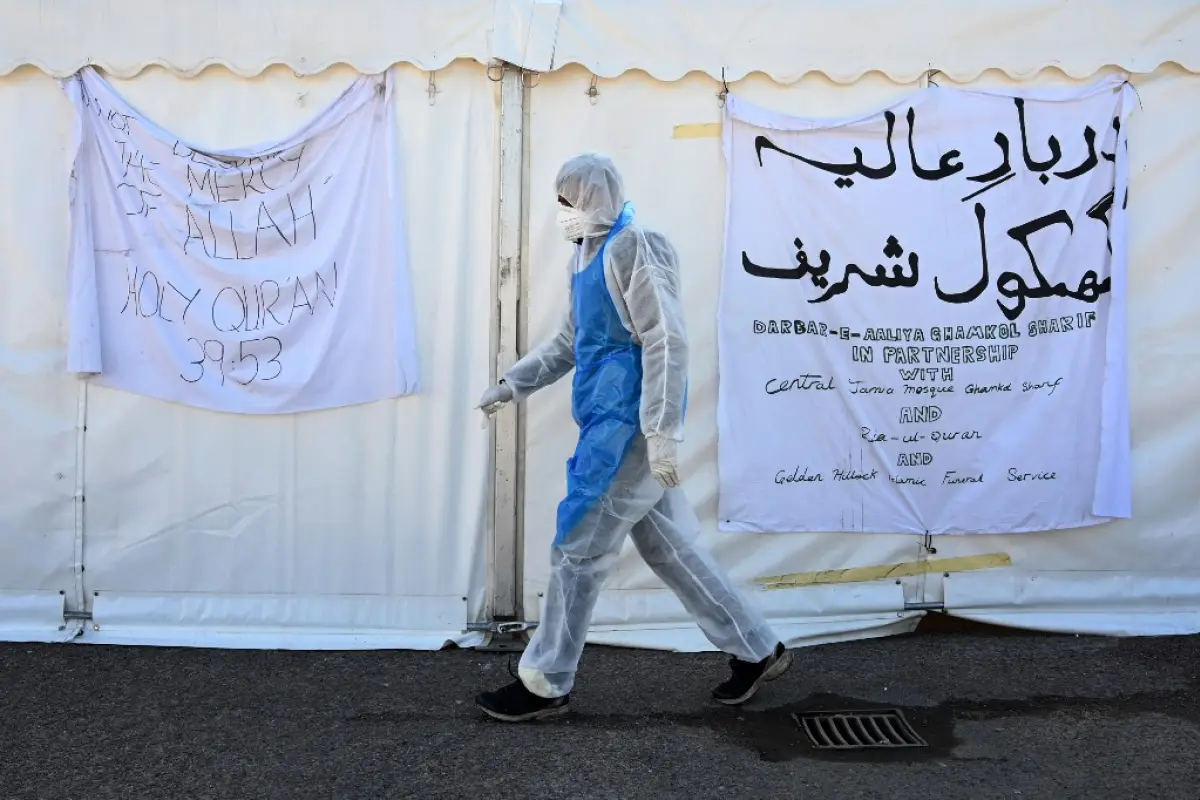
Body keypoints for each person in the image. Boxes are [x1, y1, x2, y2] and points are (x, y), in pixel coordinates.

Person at [474, 153, 789, 722]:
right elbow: (571, 341)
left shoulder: (635, 247)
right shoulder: (587, 254)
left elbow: (666, 338)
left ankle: (547, 682)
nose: (564, 214)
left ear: (592, 197)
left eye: (568, 202)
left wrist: (663, 431)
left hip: (630, 430)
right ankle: (757, 647)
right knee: (671, 549)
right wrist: (512, 384)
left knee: (577, 551)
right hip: (605, 422)